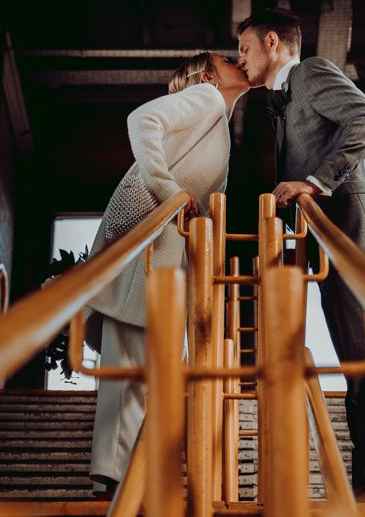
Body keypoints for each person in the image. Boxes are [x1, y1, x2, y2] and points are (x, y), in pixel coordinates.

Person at [237, 8, 365, 500]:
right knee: (359, 369)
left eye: (245, 49)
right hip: (335, 246)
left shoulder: (309, 73)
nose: (241, 60)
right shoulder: (282, 102)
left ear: (272, 42)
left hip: (361, 238)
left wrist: (315, 182)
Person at [86, 51, 249, 496]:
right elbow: (142, 120)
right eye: (231, 58)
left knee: (146, 368)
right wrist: (168, 187)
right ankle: (116, 477)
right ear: (207, 74)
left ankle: (125, 477)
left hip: (165, 257)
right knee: (133, 363)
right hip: (146, 251)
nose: (242, 61)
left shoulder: (219, 125)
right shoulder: (207, 98)